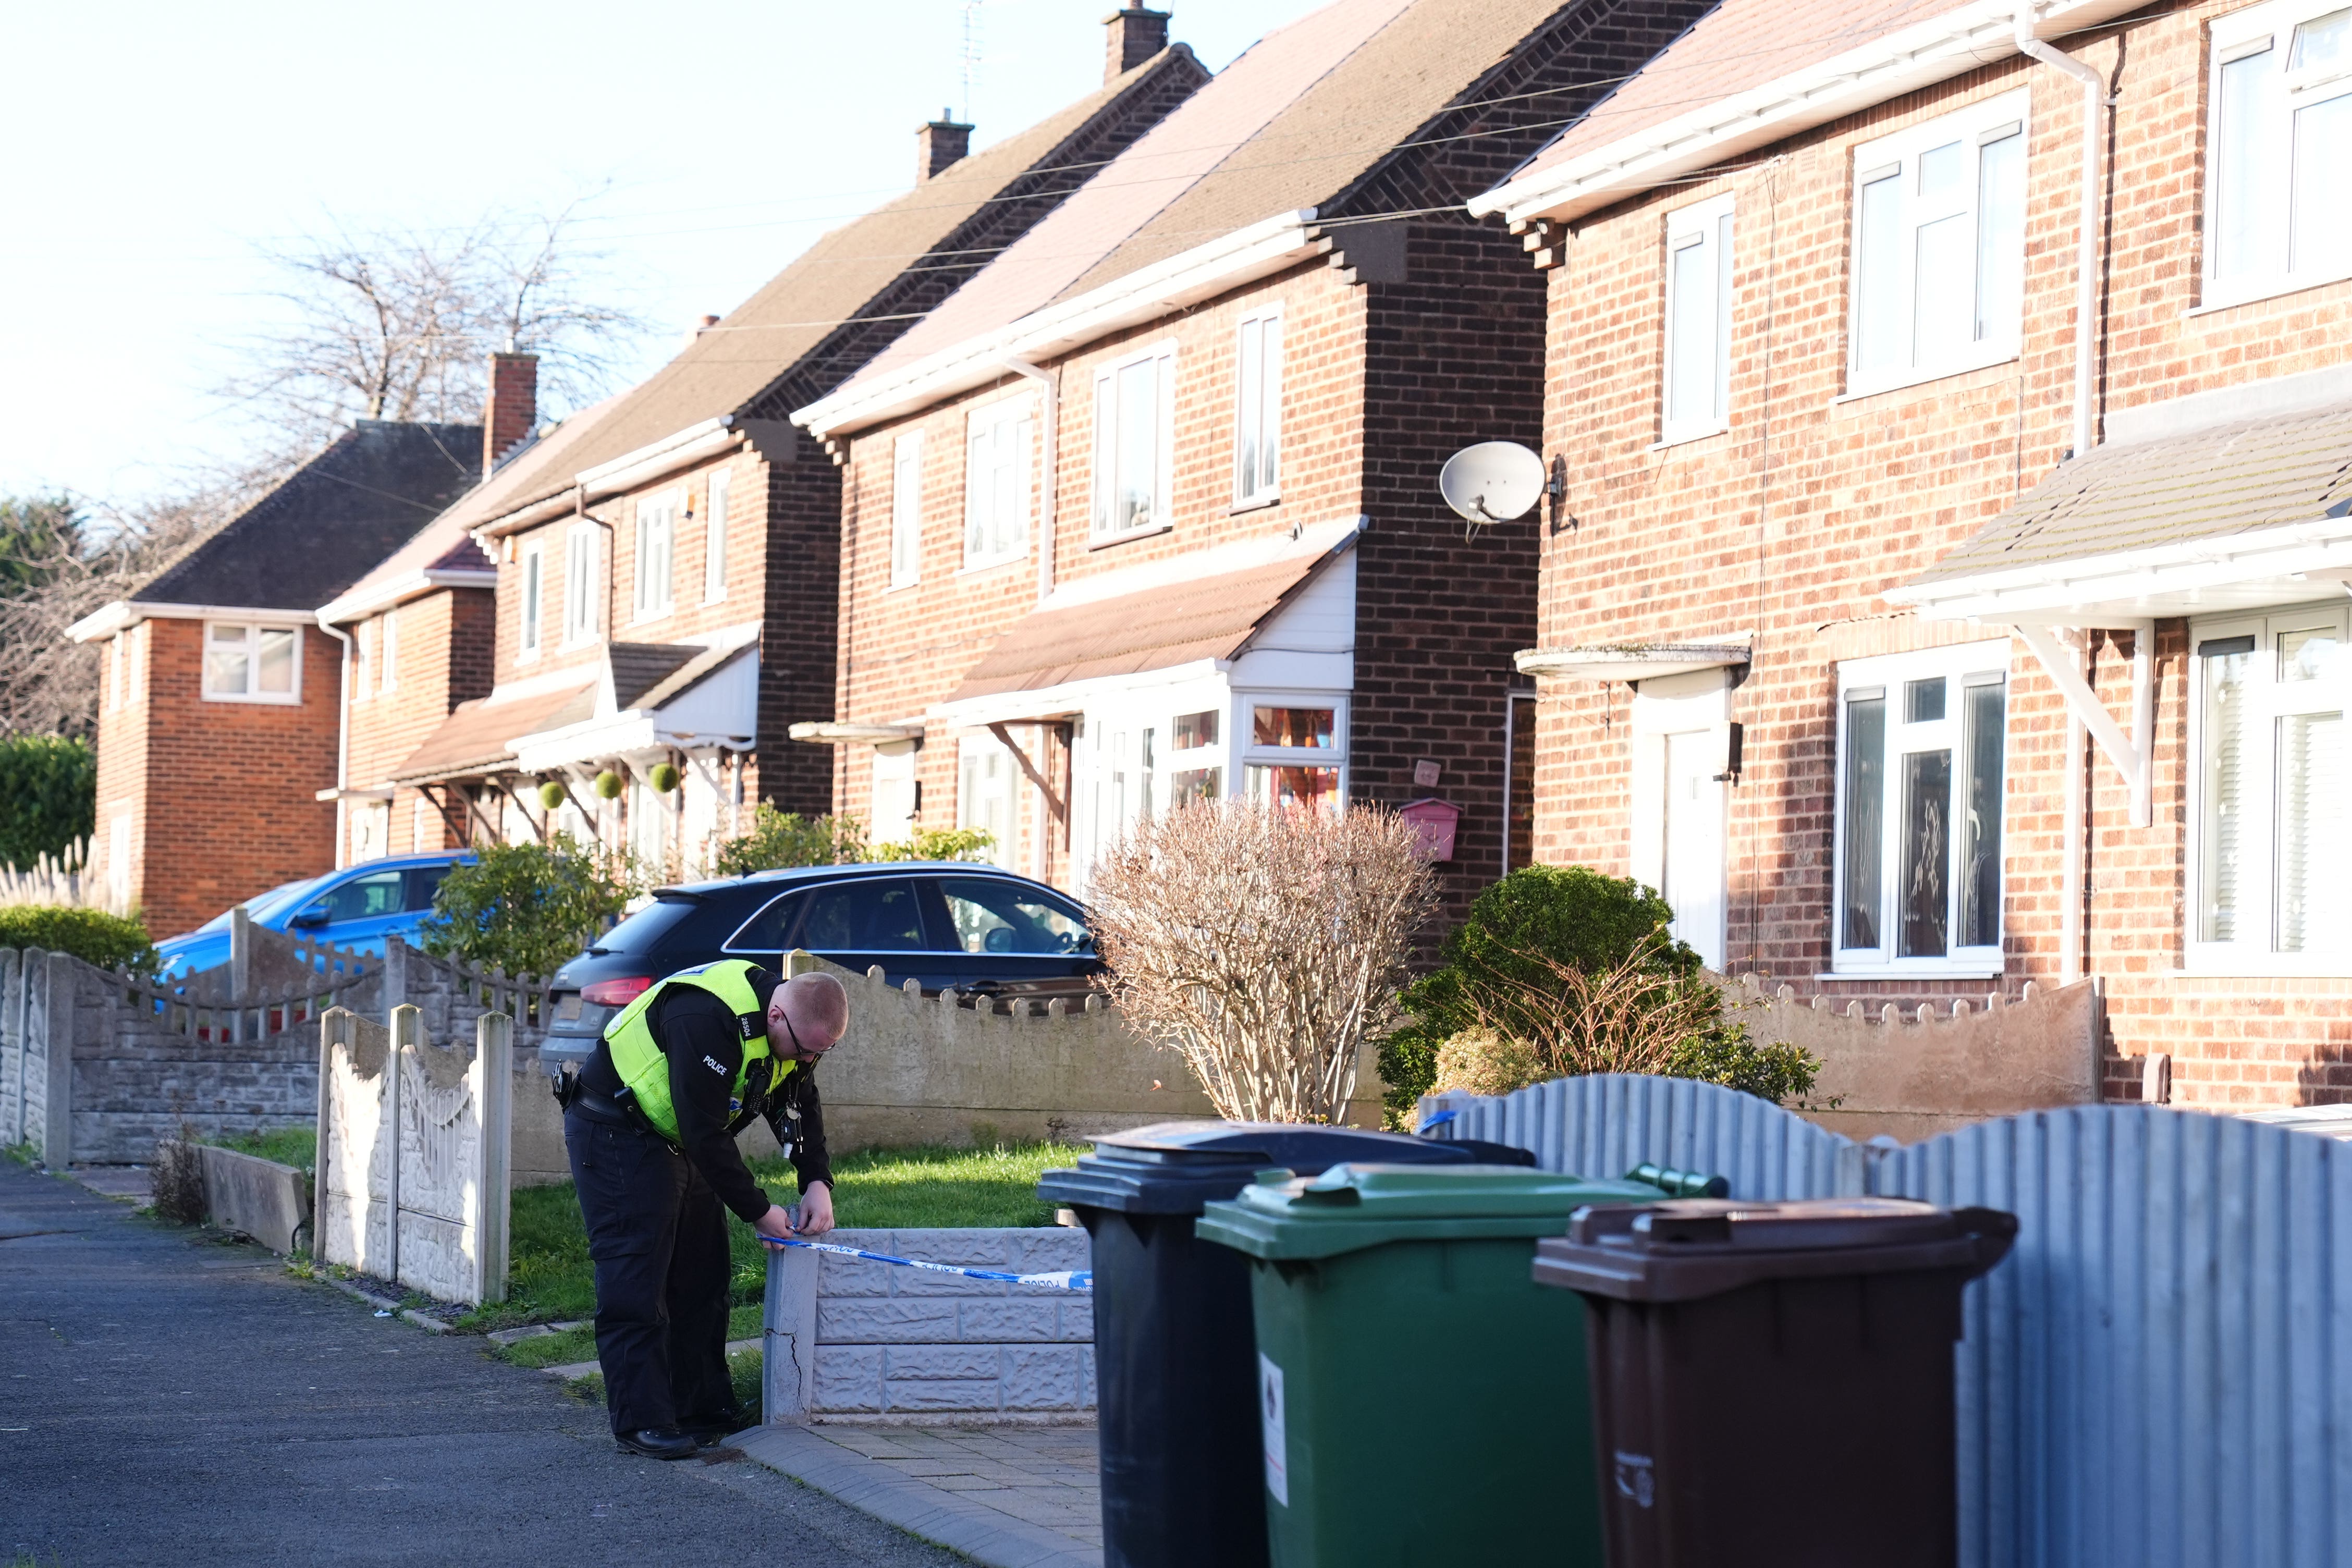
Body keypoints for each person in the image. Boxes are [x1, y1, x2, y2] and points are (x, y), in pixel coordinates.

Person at [558, 960, 848, 1460]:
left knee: (703, 1277)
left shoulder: (795, 1036)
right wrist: (759, 1210)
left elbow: (800, 1099)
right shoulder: (706, 1017)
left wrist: (816, 1179)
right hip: (616, 1130)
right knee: (638, 1273)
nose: (807, 1061)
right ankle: (642, 1421)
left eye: (821, 1053)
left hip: (676, 1137)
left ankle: (703, 1410)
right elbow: (704, 1132)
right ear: (776, 1016)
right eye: (805, 1050)